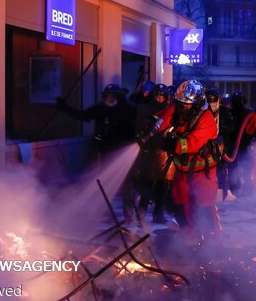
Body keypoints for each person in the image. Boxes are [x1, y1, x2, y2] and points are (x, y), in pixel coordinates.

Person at [56, 84, 137, 222]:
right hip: (105, 151)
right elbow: (81, 115)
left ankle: (129, 214)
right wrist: (64, 107)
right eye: (107, 96)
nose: (109, 99)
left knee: (126, 183)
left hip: (123, 151)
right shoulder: (100, 109)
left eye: (112, 96)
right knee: (105, 181)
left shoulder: (128, 109)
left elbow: (137, 123)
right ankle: (103, 210)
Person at [153, 79, 221, 238]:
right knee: (179, 205)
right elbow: (163, 118)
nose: (183, 106)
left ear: (196, 104)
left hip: (202, 174)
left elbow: (190, 144)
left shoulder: (206, 119)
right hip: (182, 172)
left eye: (187, 104)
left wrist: (168, 143)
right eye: (181, 103)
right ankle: (189, 238)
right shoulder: (179, 109)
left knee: (203, 209)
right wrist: (151, 126)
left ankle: (212, 244)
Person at [134, 84, 173, 224]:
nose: (160, 98)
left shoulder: (170, 111)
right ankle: (141, 212)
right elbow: (140, 128)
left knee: (164, 185)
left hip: (167, 152)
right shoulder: (145, 109)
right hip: (150, 152)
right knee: (148, 183)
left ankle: (159, 213)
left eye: (163, 96)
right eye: (158, 95)